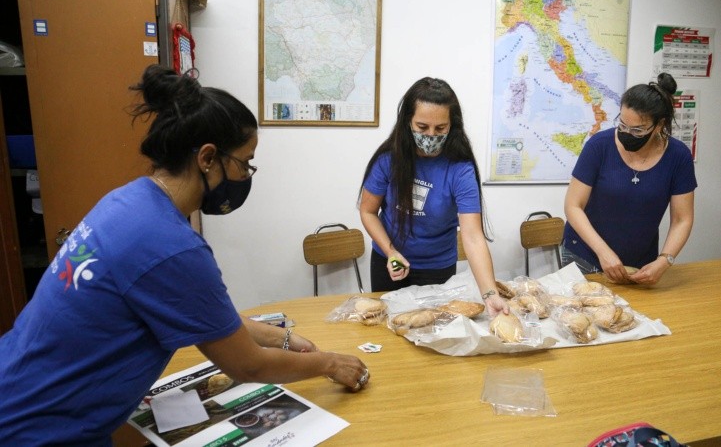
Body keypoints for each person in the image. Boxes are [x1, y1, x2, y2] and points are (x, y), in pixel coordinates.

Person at [0, 65, 368, 445]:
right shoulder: (170, 245)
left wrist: (280, 338)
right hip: (37, 429)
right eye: (244, 163)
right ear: (207, 158)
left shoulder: (128, 201)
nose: (246, 176)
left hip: (14, 384)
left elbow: (209, 317)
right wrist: (329, 363)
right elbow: (246, 364)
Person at [359, 77, 508, 316]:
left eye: (440, 129)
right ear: (408, 121)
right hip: (390, 262)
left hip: (437, 269)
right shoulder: (389, 159)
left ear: (452, 125)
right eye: (422, 127)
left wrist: (490, 293)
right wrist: (390, 252)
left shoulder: (460, 168)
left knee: (432, 330)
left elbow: (472, 236)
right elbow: (367, 211)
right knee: (388, 332)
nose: (430, 135)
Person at [562, 72, 696, 285]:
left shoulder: (678, 157)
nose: (626, 133)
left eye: (637, 130)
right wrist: (603, 252)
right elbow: (573, 205)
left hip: (641, 265)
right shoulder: (599, 146)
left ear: (659, 125)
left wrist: (664, 260)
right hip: (585, 255)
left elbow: (682, 219)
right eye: (622, 124)